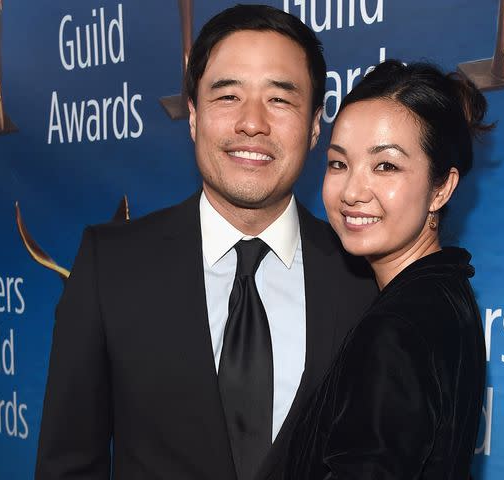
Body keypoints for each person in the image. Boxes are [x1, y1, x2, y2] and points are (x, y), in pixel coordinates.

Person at [34, 5, 376, 480]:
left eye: (280, 100)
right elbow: (68, 466)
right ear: (193, 116)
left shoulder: (364, 277)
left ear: (316, 124)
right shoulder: (109, 266)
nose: (252, 122)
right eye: (227, 96)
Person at [282, 60, 491, 479]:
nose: (352, 192)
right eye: (339, 164)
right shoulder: (446, 296)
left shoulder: (398, 327)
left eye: (386, 166)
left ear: (441, 187)